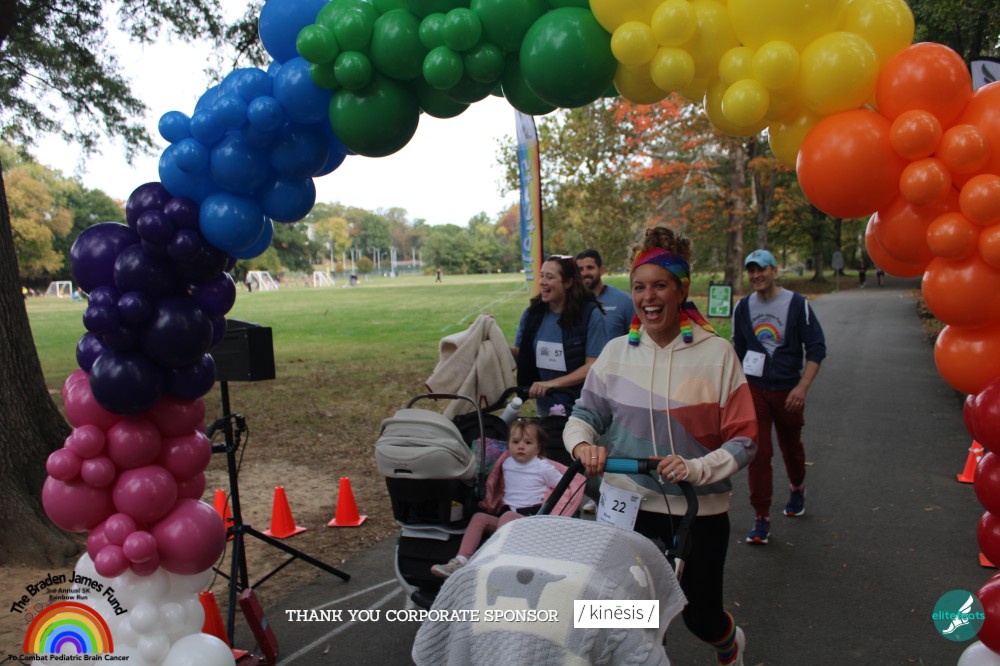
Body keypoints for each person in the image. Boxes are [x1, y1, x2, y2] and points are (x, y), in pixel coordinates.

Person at [564, 225, 756, 666]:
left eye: (660, 286)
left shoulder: (718, 354)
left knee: (700, 617)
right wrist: (582, 446)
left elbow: (745, 440)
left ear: (681, 289)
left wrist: (695, 468)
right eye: (639, 287)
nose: (648, 297)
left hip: (697, 509)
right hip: (625, 503)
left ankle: (730, 644)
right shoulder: (616, 352)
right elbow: (583, 416)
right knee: (626, 616)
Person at [732, 249, 826, 546]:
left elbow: (817, 348)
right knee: (758, 453)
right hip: (755, 389)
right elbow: (737, 352)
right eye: (751, 270)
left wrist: (803, 387)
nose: (756, 275)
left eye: (761, 269)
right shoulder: (742, 307)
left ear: (774, 270)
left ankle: (797, 486)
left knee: (791, 447)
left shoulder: (797, 304)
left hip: (788, 391)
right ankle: (761, 516)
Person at [430, 419, 564, 578]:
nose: (521, 446)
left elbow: (564, 486)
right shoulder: (506, 462)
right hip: (506, 519)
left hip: (530, 520)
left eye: (528, 443)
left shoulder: (543, 467)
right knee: (479, 518)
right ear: (508, 445)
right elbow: (491, 473)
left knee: (507, 517)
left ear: (538, 448)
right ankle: (461, 560)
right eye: (515, 442)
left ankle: (497, 559)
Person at [512, 255, 608, 416]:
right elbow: (520, 354)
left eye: (550, 277)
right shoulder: (532, 314)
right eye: (541, 276)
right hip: (546, 408)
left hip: (582, 409)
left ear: (568, 282)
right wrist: (491, 339)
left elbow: (593, 365)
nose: (542, 282)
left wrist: (552, 384)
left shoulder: (589, 314)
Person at [576, 249, 635, 338]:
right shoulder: (572, 303)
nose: (585, 273)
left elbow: (636, 335)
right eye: (580, 269)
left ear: (601, 270)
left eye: (590, 268)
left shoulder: (624, 301)